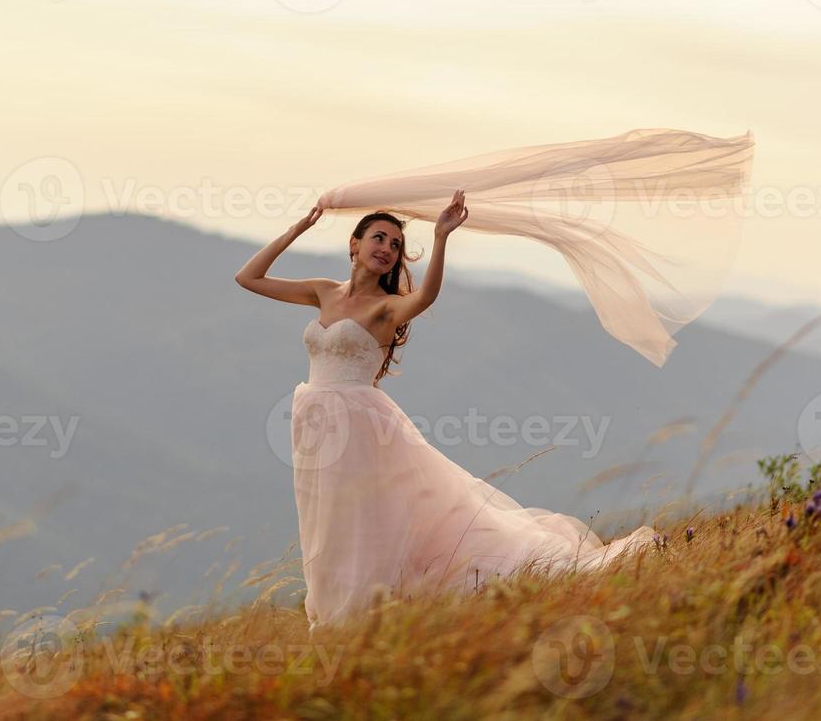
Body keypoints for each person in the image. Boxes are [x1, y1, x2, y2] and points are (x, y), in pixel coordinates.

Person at [235, 189, 657, 631]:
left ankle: (361, 612)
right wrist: (299, 228)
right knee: (325, 519)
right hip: (314, 425)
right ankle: (339, 613)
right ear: (354, 245)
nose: (387, 249)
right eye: (379, 238)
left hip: (360, 424)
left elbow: (425, 298)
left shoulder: (386, 306)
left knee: (367, 516)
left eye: (395, 245)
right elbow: (249, 277)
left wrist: (440, 239)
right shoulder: (323, 292)